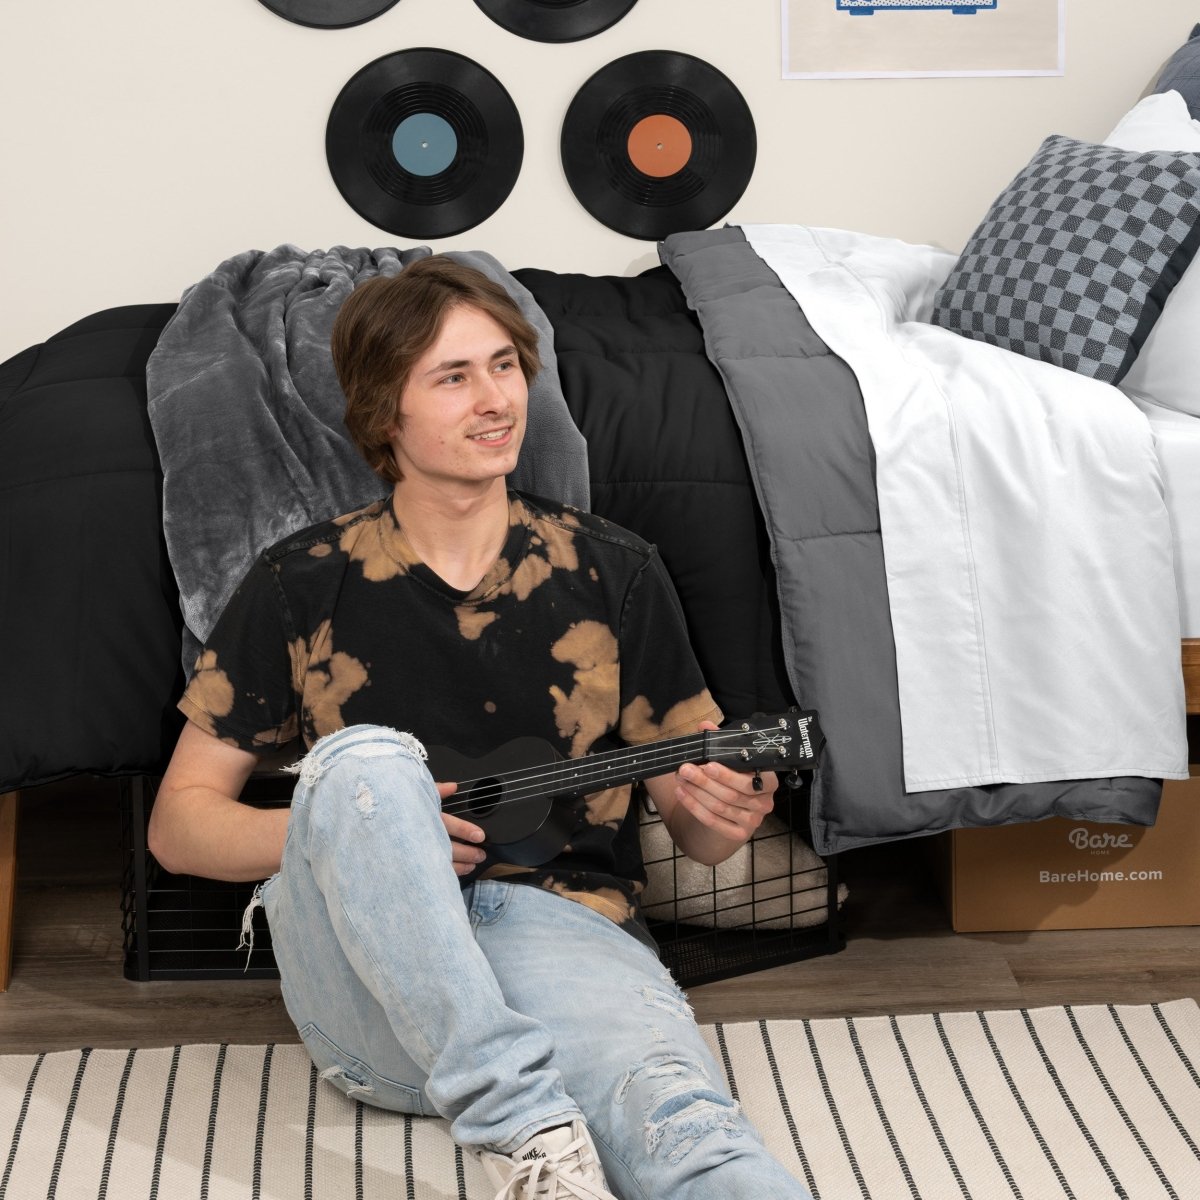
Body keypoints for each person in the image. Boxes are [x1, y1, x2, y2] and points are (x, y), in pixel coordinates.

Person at [148, 255, 812, 1200]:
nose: (496, 400)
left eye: (504, 366)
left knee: (689, 1131)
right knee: (368, 763)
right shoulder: (300, 583)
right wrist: (372, 829)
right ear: (384, 413)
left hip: (564, 939)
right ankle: (523, 1120)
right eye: (454, 377)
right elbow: (178, 825)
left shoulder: (614, 571)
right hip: (367, 992)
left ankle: (535, 1123)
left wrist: (724, 816)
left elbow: (698, 833)